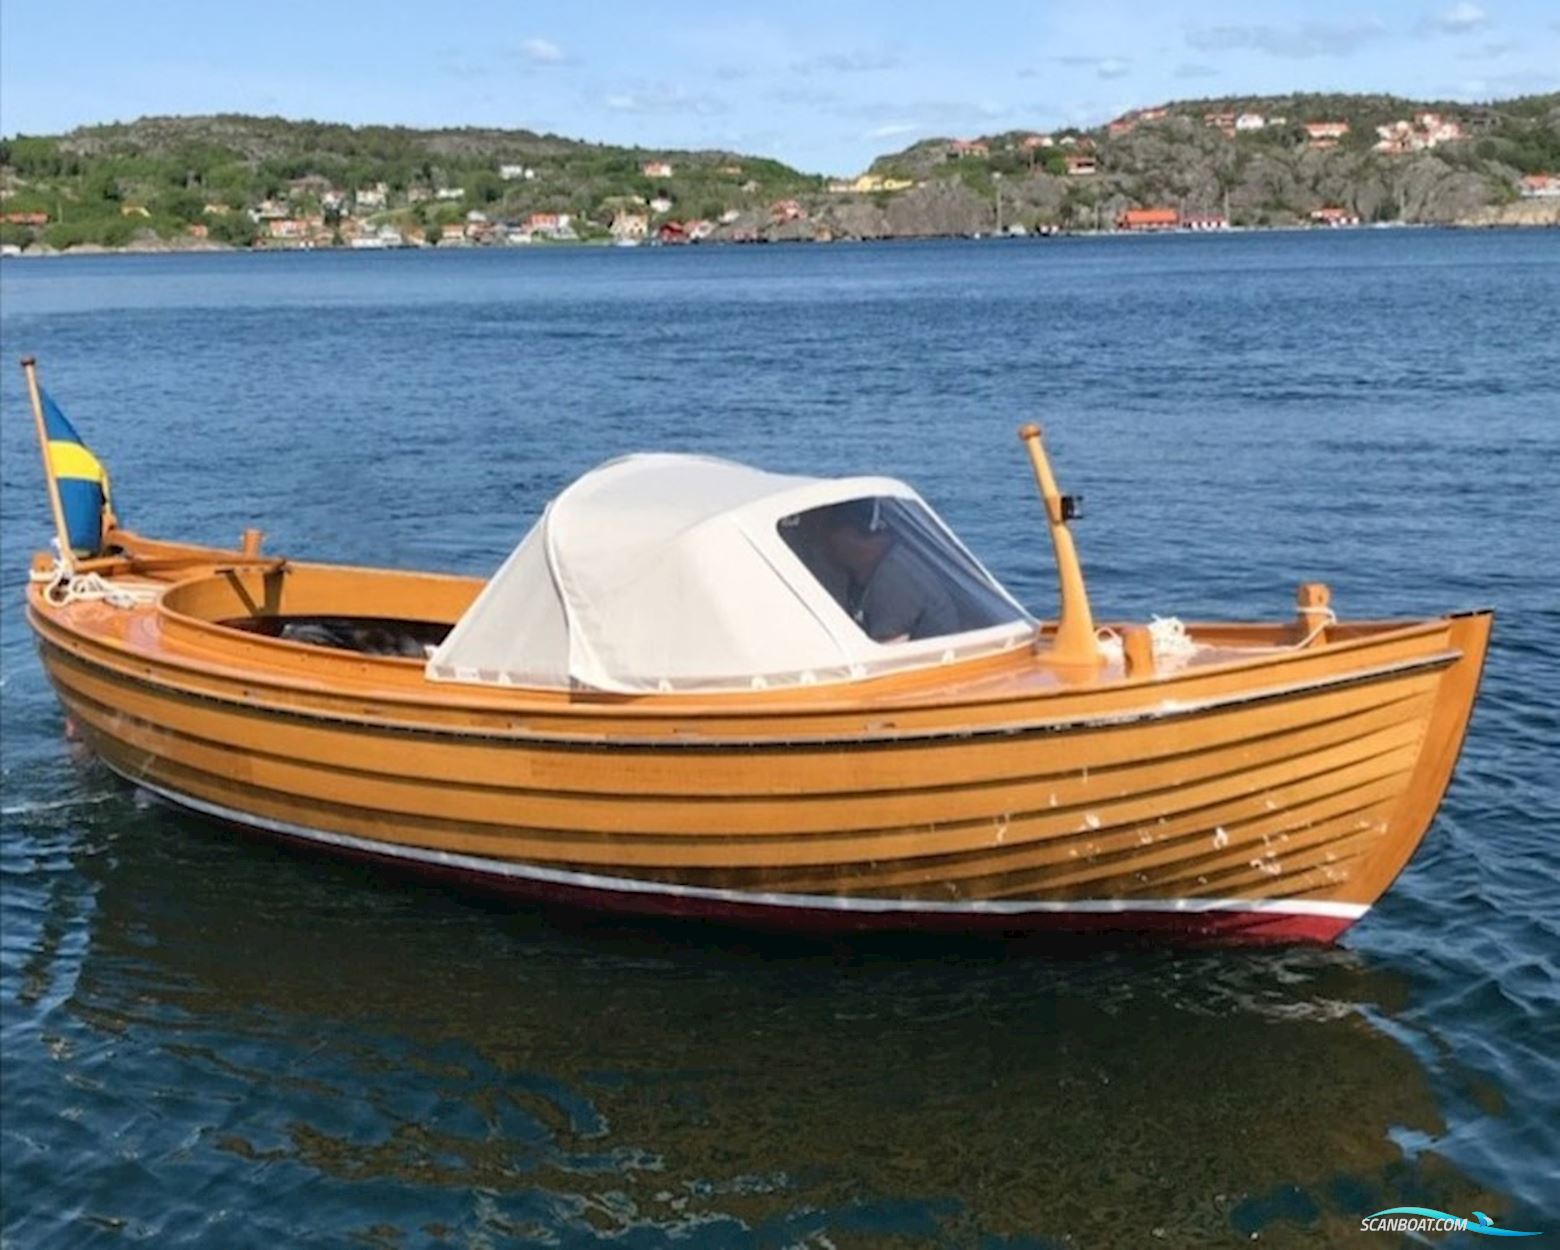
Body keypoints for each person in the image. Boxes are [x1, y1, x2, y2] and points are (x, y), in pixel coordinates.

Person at [811, 499, 960, 643]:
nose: (826, 543)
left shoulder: (896, 578)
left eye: (832, 533)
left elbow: (888, 650)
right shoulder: (863, 572)